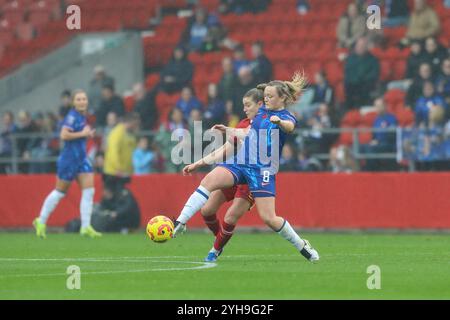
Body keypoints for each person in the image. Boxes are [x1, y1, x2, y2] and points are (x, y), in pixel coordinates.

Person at [173, 72, 320, 263]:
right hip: (241, 163)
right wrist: (229, 131)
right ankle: (180, 222)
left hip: (262, 170)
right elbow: (247, 133)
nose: (266, 99)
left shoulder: (285, 116)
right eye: (265, 96)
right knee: (209, 180)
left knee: (269, 218)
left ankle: (301, 245)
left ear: (282, 97)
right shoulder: (261, 113)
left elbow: (290, 127)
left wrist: (280, 122)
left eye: (270, 96)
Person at [182, 88, 263, 261]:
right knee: (207, 210)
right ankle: (220, 238)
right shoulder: (242, 123)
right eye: (243, 105)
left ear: (260, 105)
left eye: (248, 105)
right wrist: (198, 163)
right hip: (236, 172)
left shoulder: (266, 124)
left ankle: (215, 251)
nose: (245, 109)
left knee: (230, 216)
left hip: (252, 179)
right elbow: (226, 150)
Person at [32, 90, 102, 238]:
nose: (82, 101)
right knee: (59, 192)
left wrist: (86, 134)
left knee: (89, 190)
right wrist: (83, 134)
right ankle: (41, 220)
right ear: (73, 102)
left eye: (84, 99)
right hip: (69, 160)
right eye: (79, 99)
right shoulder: (72, 116)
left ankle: (85, 226)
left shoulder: (82, 117)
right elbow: (63, 135)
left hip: (81, 159)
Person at [103, 113, 140, 193]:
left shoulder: (129, 134)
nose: (137, 127)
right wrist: (118, 168)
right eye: (136, 124)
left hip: (125, 172)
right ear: (130, 122)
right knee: (115, 198)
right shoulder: (117, 133)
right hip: (114, 173)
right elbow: (113, 152)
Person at [344, 37, 380, 109]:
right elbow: (348, 72)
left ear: (366, 47)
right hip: (352, 86)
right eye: (359, 46)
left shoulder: (373, 59)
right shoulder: (350, 59)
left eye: (362, 46)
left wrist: (361, 80)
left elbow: (373, 74)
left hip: (366, 87)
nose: (360, 48)